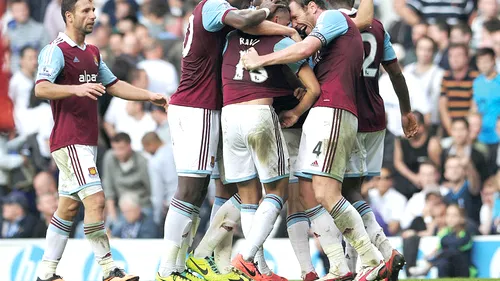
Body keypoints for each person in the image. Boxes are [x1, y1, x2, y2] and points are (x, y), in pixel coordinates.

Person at [241, 0, 397, 279]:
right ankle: (339, 264)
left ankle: (371, 257)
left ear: (313, 6)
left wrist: (260, 60)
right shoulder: (329, 34)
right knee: (306, 192)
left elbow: (305, 48)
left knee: (328, 193)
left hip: (332, 111)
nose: (296, 22)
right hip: (321, 113)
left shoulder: (333, 18)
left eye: (297, 14)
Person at [157, 0, 301, 280]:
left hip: (218, 109)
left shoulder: (227, 26)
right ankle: (168, 268)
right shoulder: (213, 6)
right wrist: (270, 12)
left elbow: (251, 25)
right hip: (196, 106)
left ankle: (208, 262)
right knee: (190, 189)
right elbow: (248, 20)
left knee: (216, 191)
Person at [34, 1, 167, 281]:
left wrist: (148, 96)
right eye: (86, 11)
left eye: (94, 10)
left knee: (68, 208)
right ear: (69, 16)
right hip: (69, 141)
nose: (93, 15)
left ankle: (45, 273)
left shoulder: (92, 52)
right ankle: (109, 270)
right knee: (96, 200)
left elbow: (113, 84)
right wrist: (77, 88)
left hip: (86, 142)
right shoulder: (56, 50)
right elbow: (41, 87)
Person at [328, 1, 418, 279]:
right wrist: (405, 111)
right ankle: (361, 266)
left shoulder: (332, 23)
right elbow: (396, 73)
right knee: (353, 192)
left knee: (340, 194)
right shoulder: (378, 28)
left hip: (349, 116)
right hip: (376, 118)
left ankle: (383, 249)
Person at [408, 204, 476, 278]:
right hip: (449, 266)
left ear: (462, 218)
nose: (450, 218)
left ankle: (429, 265)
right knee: (443, 263)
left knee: (453, 252)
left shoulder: (467, 233)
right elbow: (443, 243)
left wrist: (447, 243)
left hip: (464, 269)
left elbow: (458, 243)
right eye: (448, 215)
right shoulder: (445, 232)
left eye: (454, 215)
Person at [472, 48, 500, 147]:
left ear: (493, 61)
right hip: (480, 136)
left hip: (497, 135)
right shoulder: (476, 82)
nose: (483, 65)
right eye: (480, 62)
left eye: (486, 61)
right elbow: (474, 107)